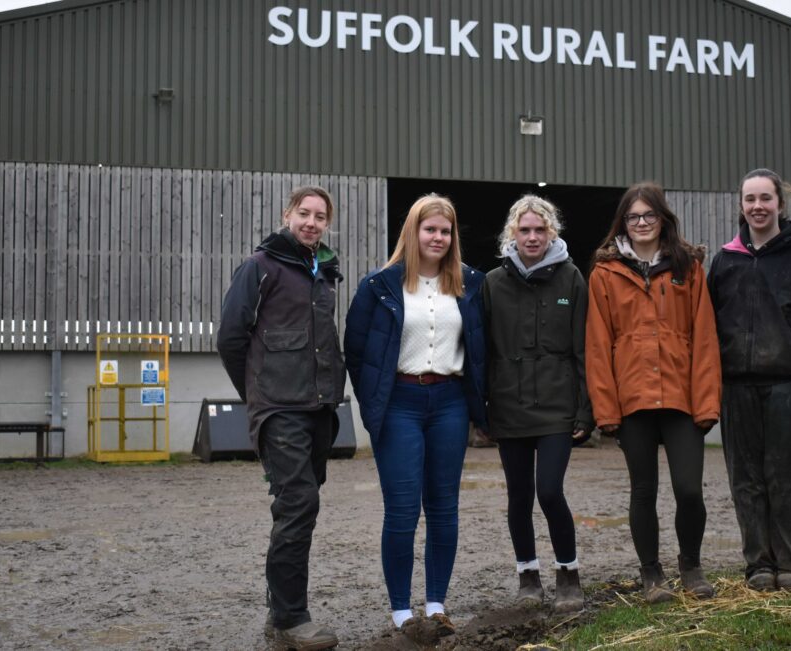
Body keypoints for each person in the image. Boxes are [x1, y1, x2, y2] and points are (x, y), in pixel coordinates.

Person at [343, 194, 486, 635]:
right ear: (413, 232)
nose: (438, 238)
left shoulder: (471, 283)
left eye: (445, 231)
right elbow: (356, 349)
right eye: (430, 230)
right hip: (400, 403)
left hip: (449, 403)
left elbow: (482, 347)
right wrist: (374, 402)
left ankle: (437, 604)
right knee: (402, 510)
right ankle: (402, 611)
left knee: (444, 508)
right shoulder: (378, 286)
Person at [217, 186, 345, 650]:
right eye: (304, 214)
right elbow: (231, 337)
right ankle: (292, 618)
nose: (311, 222)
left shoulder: (323, 270)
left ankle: (280, 612)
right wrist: (257, 396)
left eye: (320, 216)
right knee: (299, 504)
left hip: (316, 408)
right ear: (286, 215)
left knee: (296, 506)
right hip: (280, 409)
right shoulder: (260, 267)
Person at [707, 168, 791, 592]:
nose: (757, 207)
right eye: (750, 199)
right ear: (741, 205)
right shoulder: (725, 262)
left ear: (780, 204)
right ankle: (759, 565)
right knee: (746, 480)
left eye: (765, 198)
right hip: (739, 388)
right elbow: (710, 324)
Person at [585, 181, 722, 603]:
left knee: (689, 489)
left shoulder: (689, 269)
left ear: (663, 219)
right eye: (633, 217)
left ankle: (691, 567)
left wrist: (707, 402)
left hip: (682, 399)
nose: (642, 223)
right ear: (622, 223)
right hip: (633, 402)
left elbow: (705, 340)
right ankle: (651, 575)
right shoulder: (605, 274)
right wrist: (606, 411)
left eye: (649, 215)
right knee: (643, 490)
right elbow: (597, 345)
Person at [482, 195, 592, 613]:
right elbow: (483, 350)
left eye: (539, 230)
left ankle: (569, 573)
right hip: (508, 406)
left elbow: (584, 348)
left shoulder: (572, 278)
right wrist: (483, 408)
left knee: (549, 489)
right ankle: (528, 575)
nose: (532, 237)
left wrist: (586, 408)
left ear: (552, 233)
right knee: (518, 496)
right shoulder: (493, 282)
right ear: (513, 233)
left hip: (556, 408)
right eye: (524, 230)